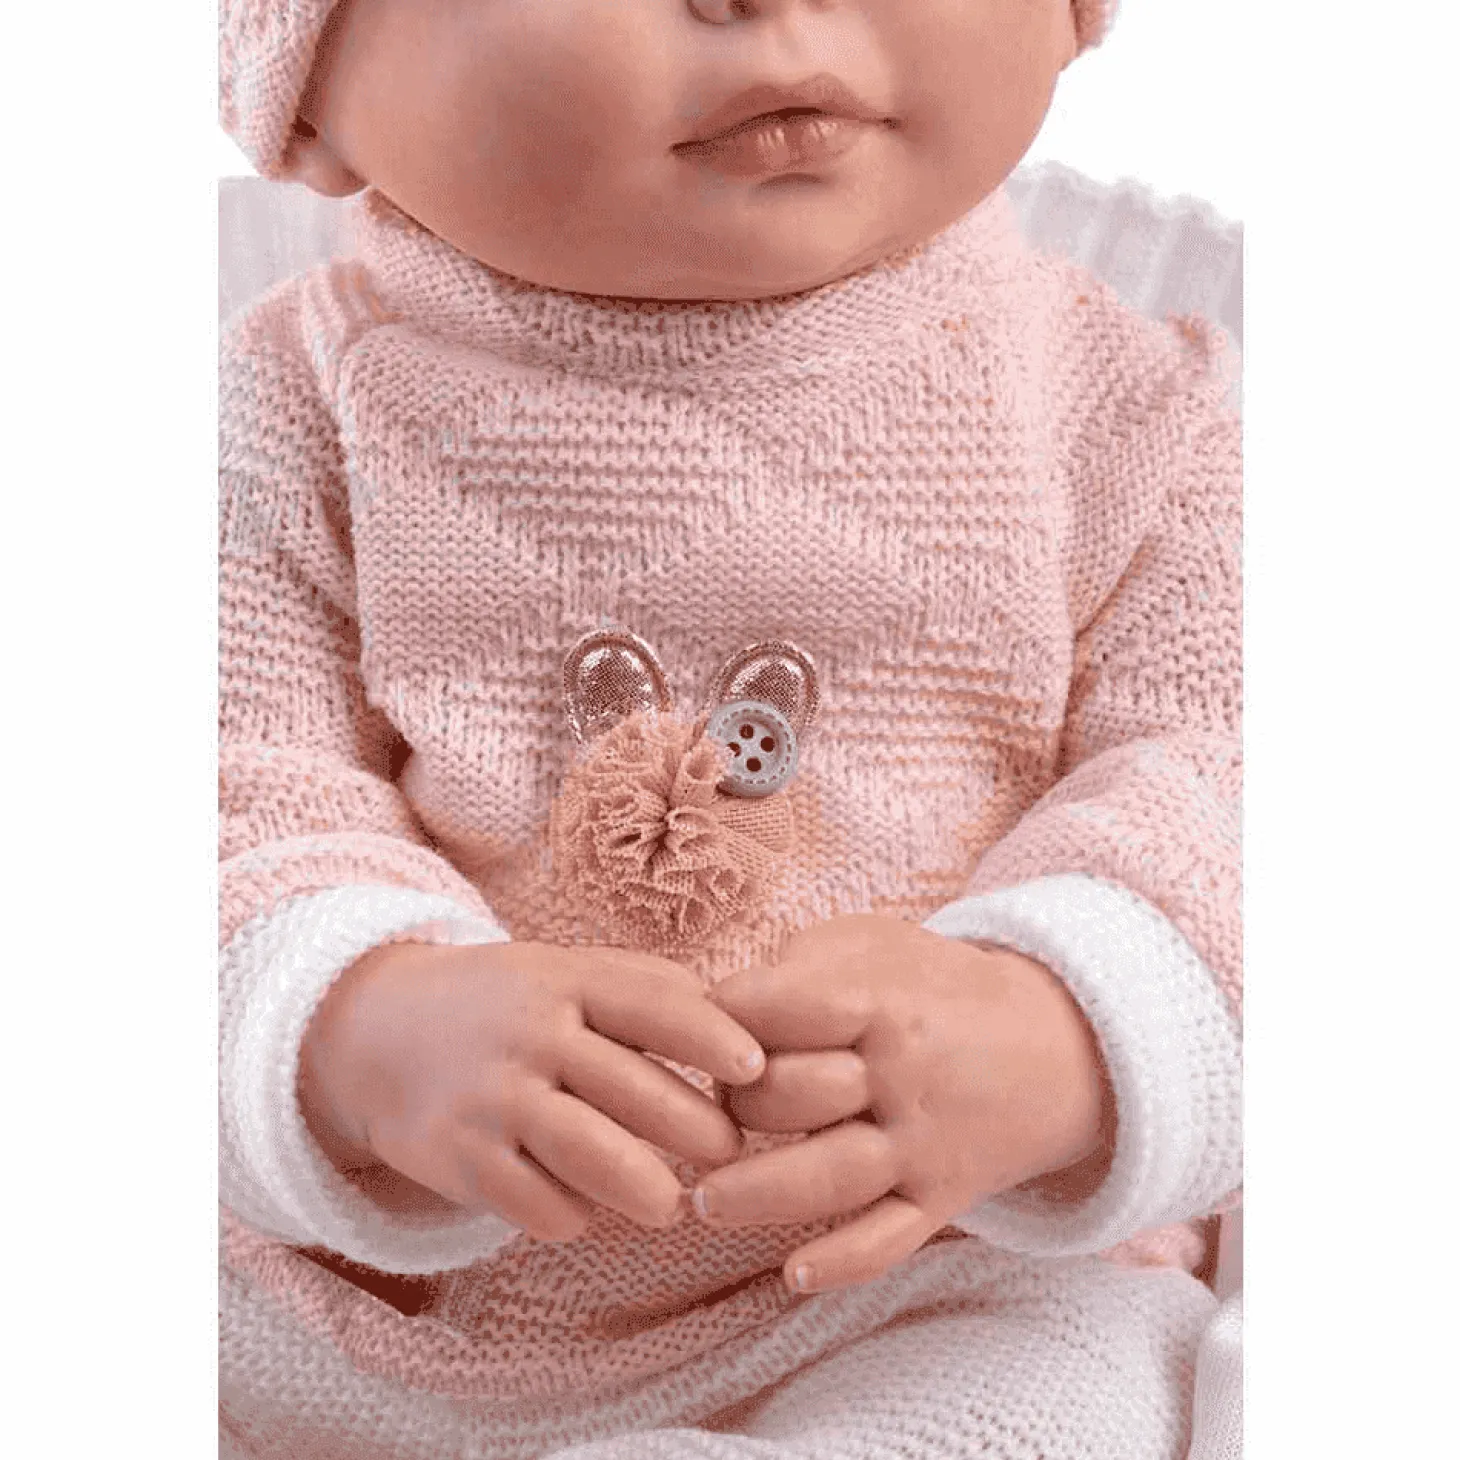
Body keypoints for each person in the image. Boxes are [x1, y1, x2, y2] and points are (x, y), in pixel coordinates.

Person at [218, 2, 1242, 1456]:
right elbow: (220, 791)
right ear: (304, 100)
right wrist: (352, 1026)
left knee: (1068, 1395)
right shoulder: (280, 409)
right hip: (360, 1309)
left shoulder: (1146, 420)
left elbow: (1231, 797)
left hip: (926, 1286)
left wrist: (1064, 1025)